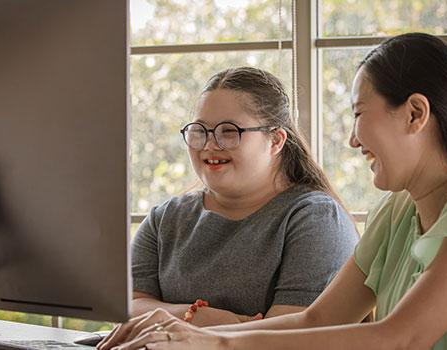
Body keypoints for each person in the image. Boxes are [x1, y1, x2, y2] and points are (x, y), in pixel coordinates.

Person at [97, 33, 447, 350]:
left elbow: (401, 337)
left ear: (415, 113)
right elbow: (318, 318)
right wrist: (196, 333)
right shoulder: (397, 210)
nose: (352, 140)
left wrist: (214, 343)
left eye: (360, 113)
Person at [128, 67, 359, 328]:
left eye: (228, 131)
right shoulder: (164, 218)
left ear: (276, 141)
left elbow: (288, 339)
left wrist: (167, 319)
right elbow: (127, 309)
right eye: (199, 130)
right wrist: (195, 315)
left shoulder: (316, 219)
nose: (209, 144)